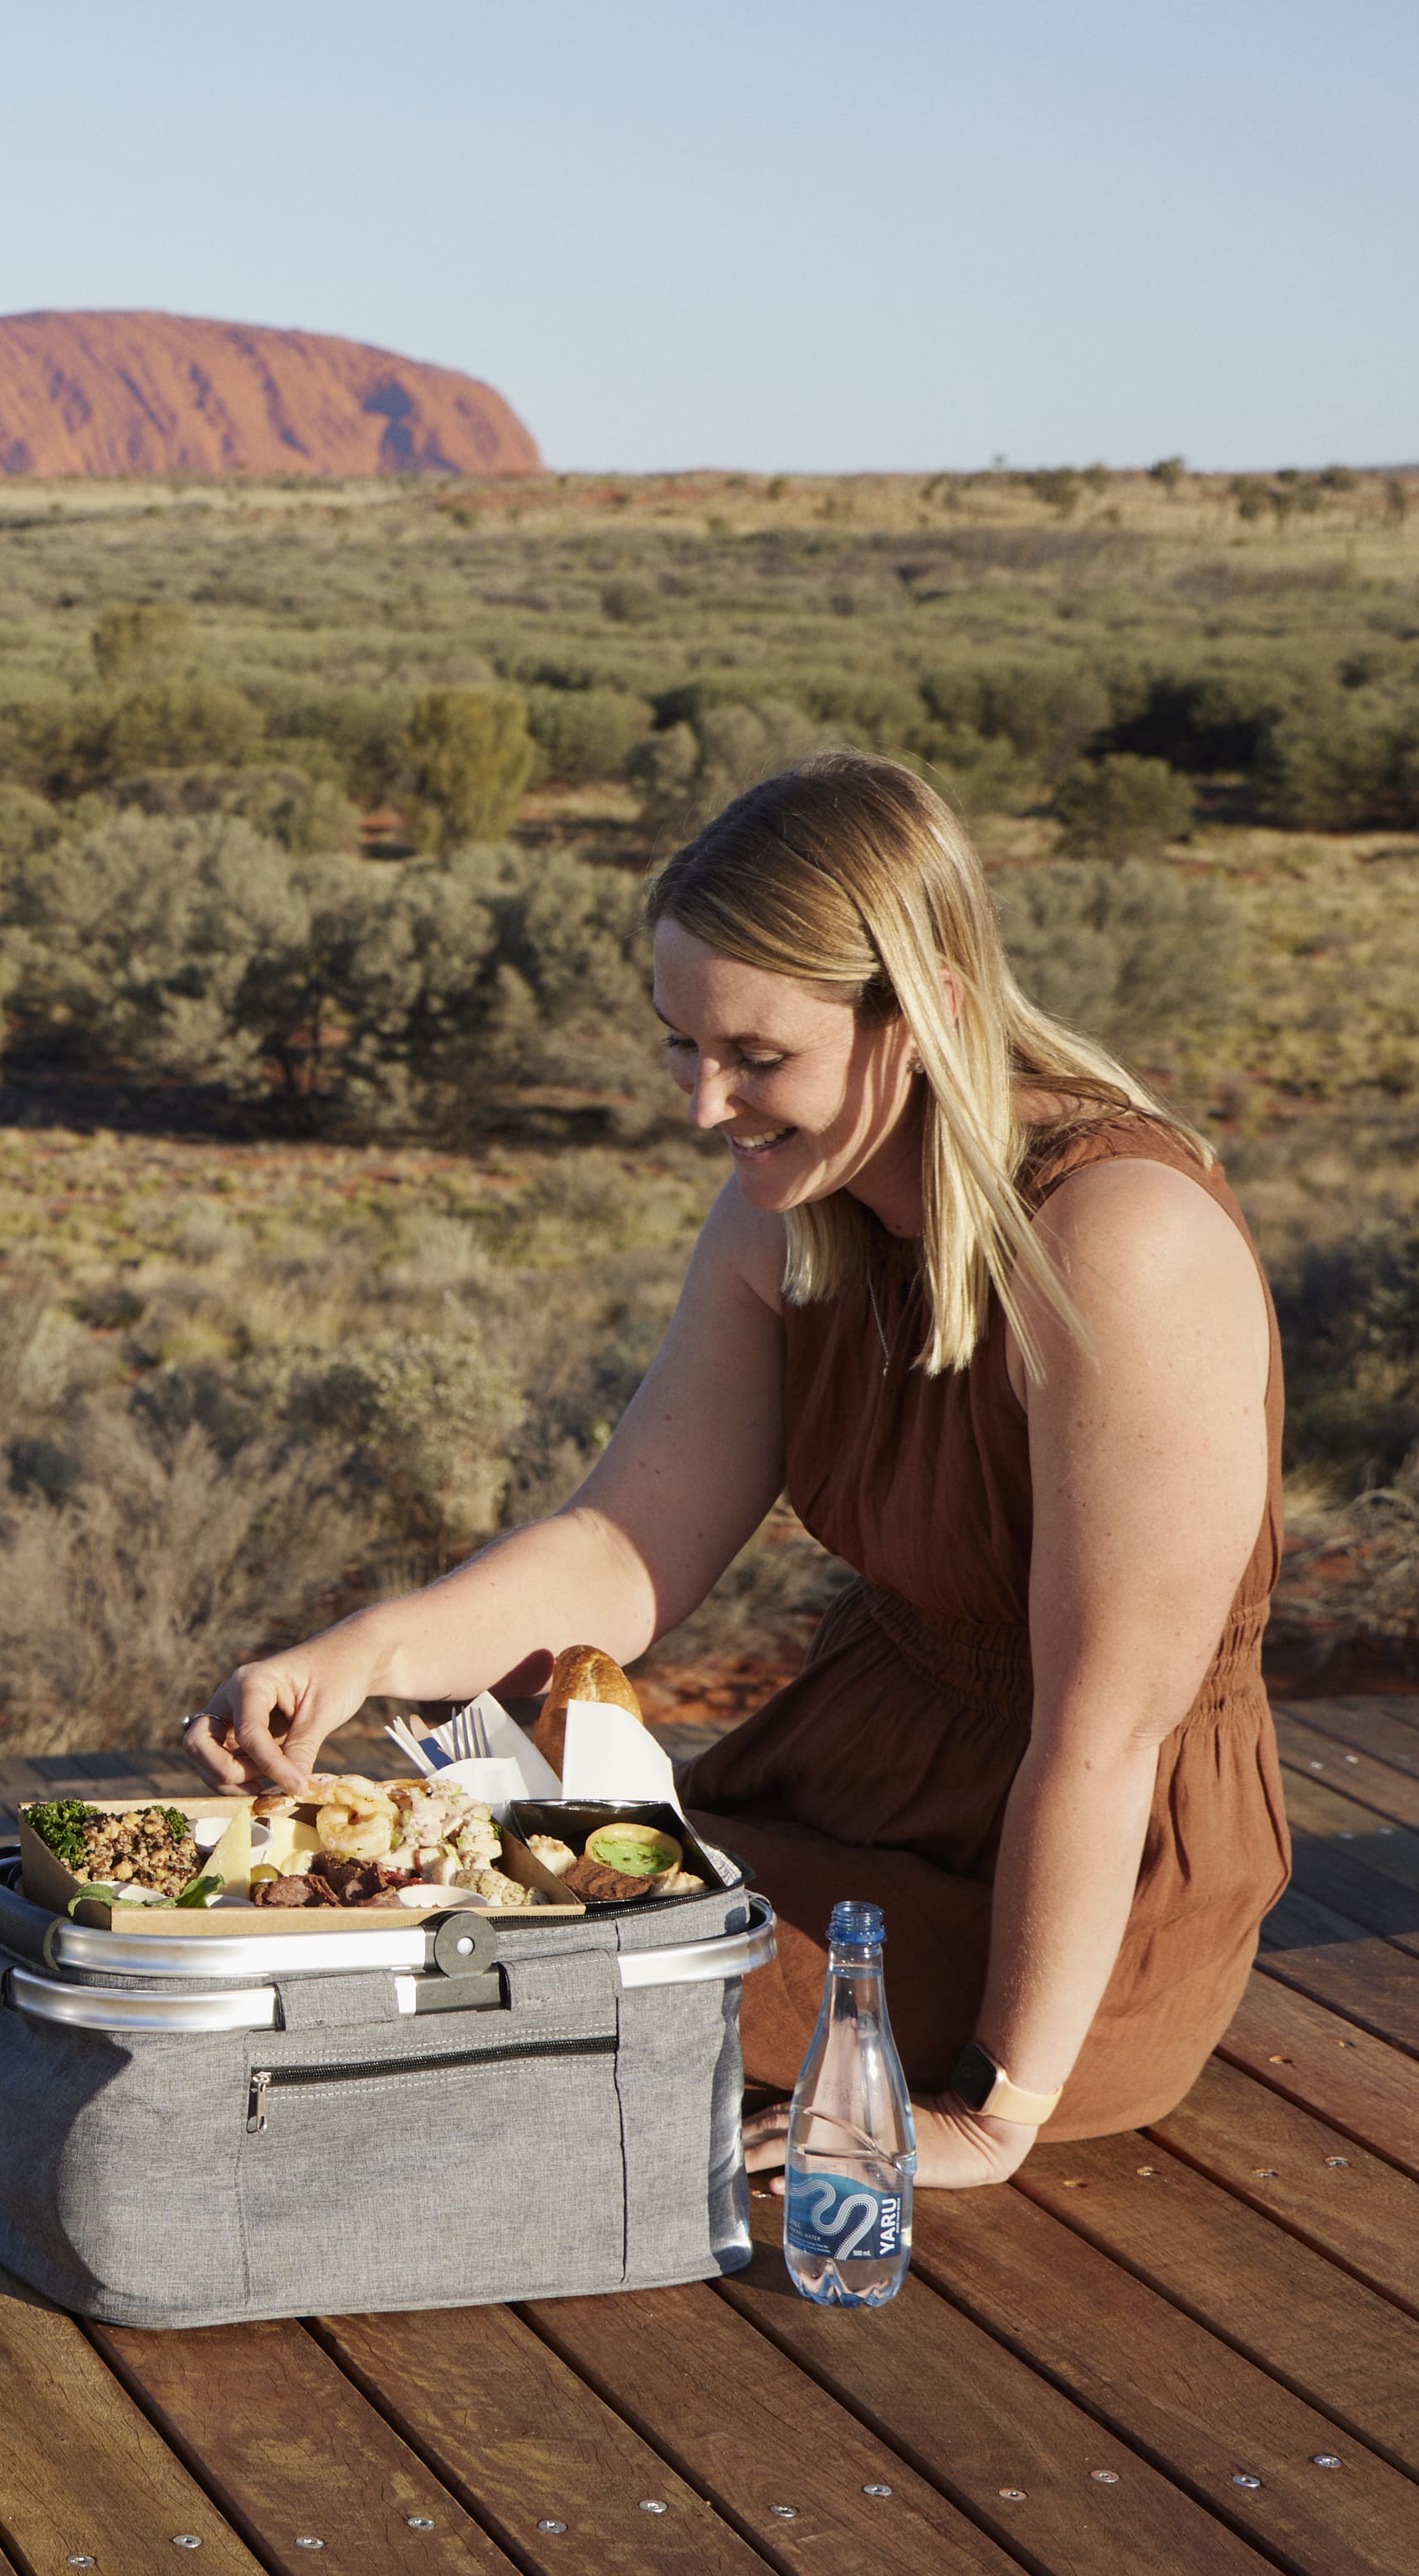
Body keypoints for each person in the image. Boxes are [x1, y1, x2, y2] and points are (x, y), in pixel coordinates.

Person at [187, 750, 1284, 2186]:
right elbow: (622, 1547)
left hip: (1079, 1903)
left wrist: (984, 2116)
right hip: (849, 1786)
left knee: (517, 1972)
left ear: (926, 1014)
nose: (704, 1106)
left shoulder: (1118, 1243)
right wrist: (358, 1655)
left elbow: (1102, 1735)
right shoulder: (788, 1214)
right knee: (443, 1899)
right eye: (679, 1045)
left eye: (758, 1059)